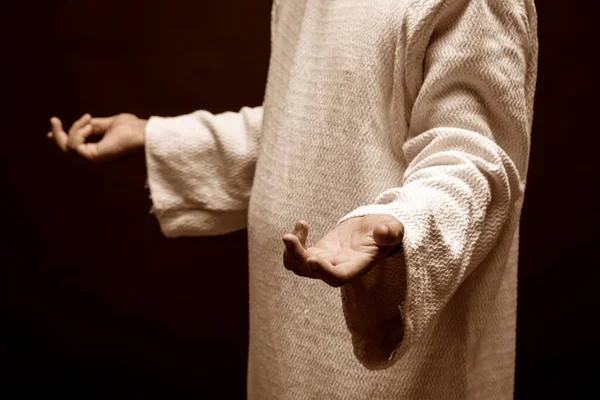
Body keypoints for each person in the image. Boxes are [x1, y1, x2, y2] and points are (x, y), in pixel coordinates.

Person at [48, 0, 539, 398]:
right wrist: (156, 138)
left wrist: (396, 223)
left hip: (399, 369)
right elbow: (312, 125)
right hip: (287, 347)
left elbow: (476, 162)